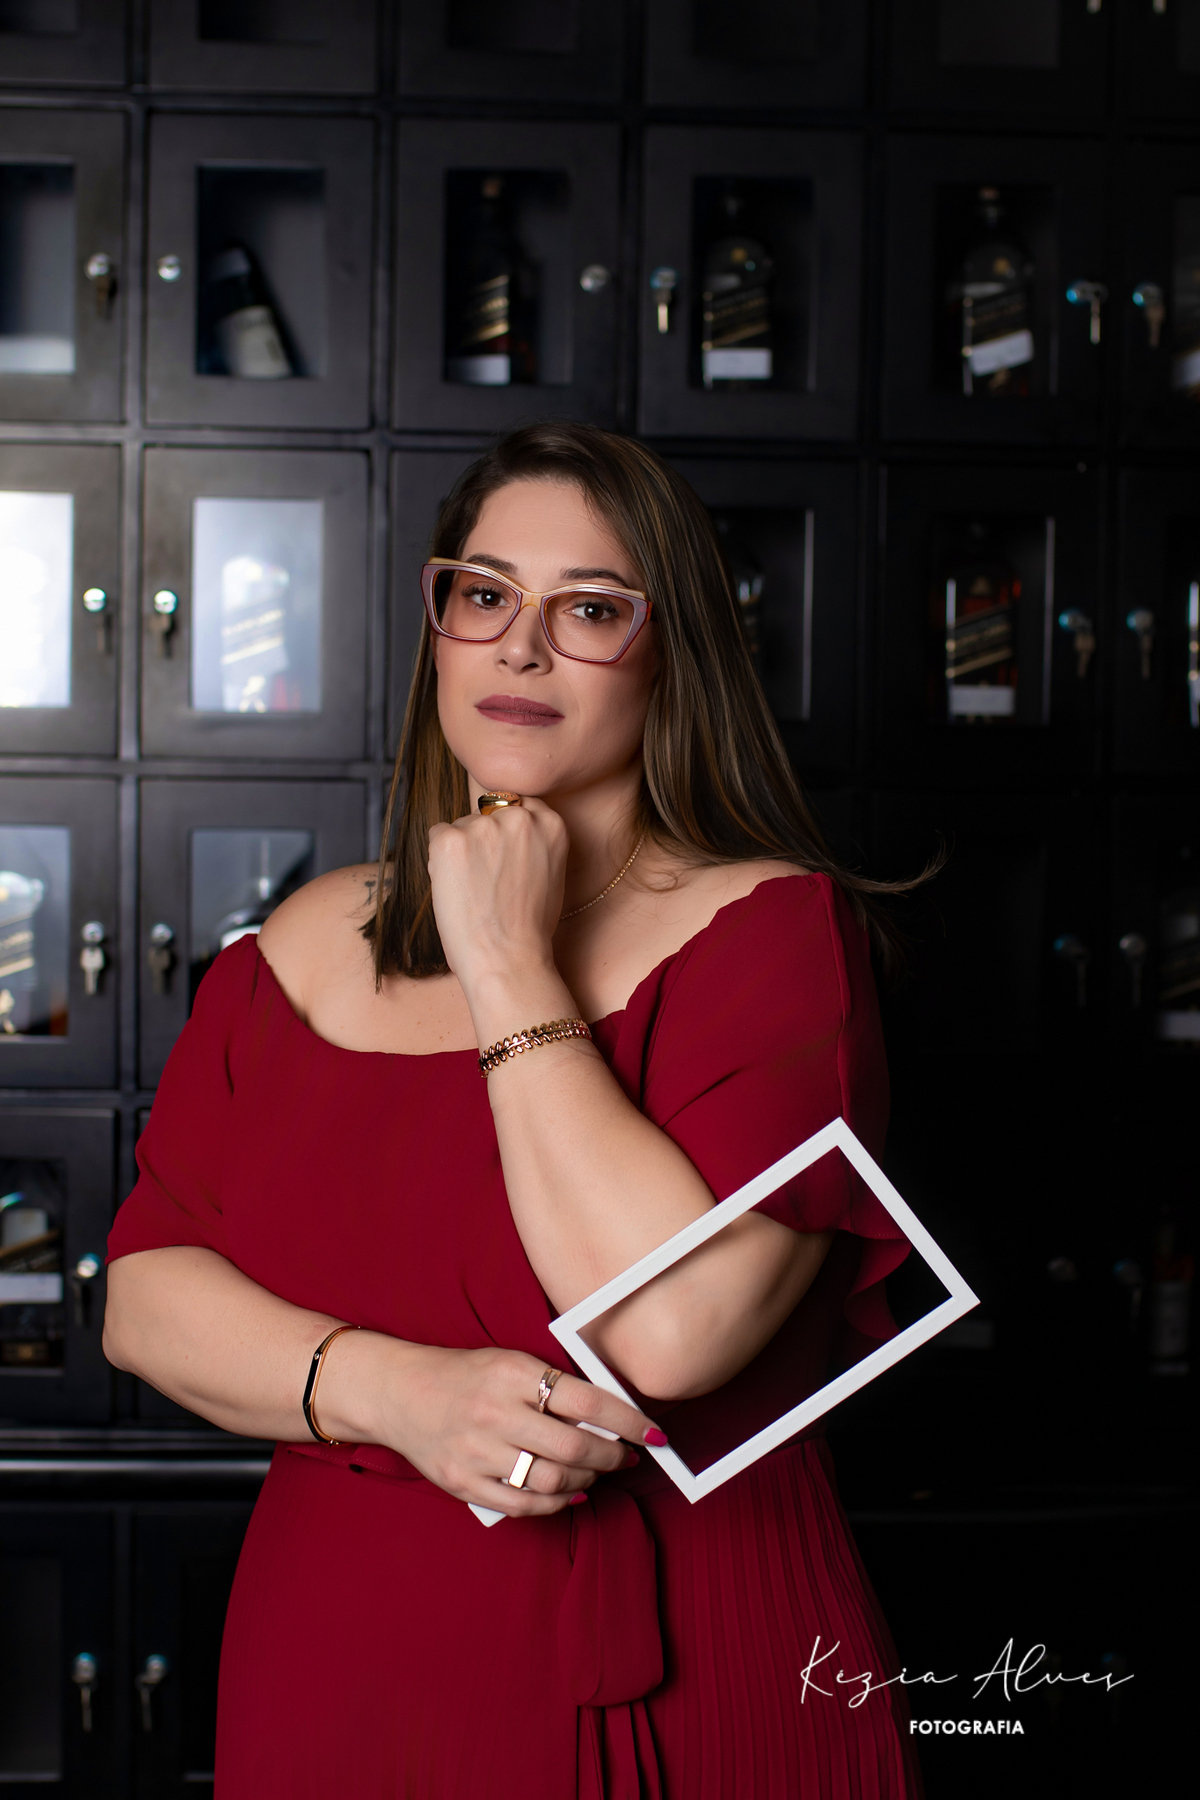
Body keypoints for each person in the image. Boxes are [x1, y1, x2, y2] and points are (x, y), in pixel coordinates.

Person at [104, 422, 925, 1799]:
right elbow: (143, 1298)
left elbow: (668, 1331)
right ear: (440, 631)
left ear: (672, 654)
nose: (521, 648)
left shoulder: (774, 933)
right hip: (336, 1654)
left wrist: (504, 956)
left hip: (687, 1665)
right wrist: (400, 1393)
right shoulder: (300, 943)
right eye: (484, 595)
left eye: (591, 610)